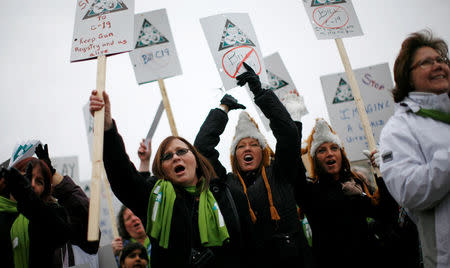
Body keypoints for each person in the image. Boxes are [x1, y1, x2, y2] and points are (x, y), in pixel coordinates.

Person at [89, 89, 252, 267]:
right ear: (163, 170)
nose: (175, 157)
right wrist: (107, 129)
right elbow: (123, 178)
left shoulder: (228, 195)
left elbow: (252, 249)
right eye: (167, 157)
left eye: (181, 151)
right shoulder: (154, 198)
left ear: (196, 160)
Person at [194, 63, 307, 267]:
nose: (247, 149)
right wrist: (223, 109)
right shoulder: (227, 184)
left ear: (262, 151)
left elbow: (289, 133)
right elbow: (201, 149)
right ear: (234, 156)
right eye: (241, 146)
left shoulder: (281, 172)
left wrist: (260, 92)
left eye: (254, 144)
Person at [378, 29, 449, 268]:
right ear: (407, 76)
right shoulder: (398, 129)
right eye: (427, 63)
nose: (438, 66)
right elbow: (409, 191)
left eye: (441, 60)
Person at [295, 118, 388, 268]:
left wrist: (383, 173)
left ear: (341, 154)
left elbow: (384, 214)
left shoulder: (355, 183)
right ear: (315, 159)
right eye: (322, 150)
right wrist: (295, 124)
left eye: (334, 148)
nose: (329, 154)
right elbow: (292, 166)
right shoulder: (309, 192)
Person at [0, 157, 74, 267]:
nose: (32, 184)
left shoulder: (51, 212)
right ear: (13, 176)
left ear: (45, 189)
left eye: (39, 182)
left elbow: (61, 234)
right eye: (27, 176)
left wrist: (28, 200)